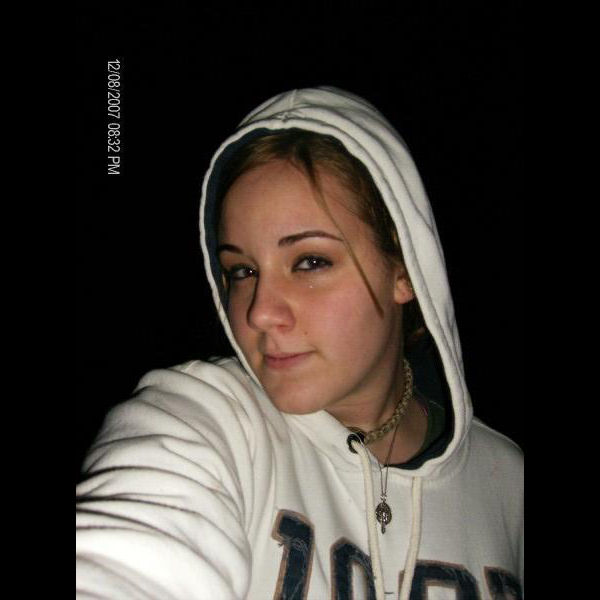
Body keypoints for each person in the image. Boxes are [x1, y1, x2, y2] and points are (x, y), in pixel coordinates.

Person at [76, 87, 523, 599]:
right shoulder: (207, 421)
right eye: (241, 270)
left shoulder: (507, 482)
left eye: (310, 262)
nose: (259, 311)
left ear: (404, 270)